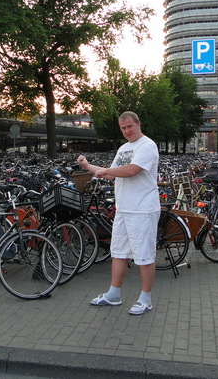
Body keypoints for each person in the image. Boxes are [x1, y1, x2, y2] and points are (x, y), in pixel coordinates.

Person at [77, 111, 160, 316]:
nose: (127, 131)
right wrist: (87, 166)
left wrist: (106, 171)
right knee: (119, 252)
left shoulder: (147, 146)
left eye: (130, 126)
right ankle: (114, 294)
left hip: (142, 209)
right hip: (123, 208)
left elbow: (132, 170)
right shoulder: (124, 148)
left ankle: (145, 298)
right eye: (123, 128)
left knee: (144, 255)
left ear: (138, 124)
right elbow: (111, 173)